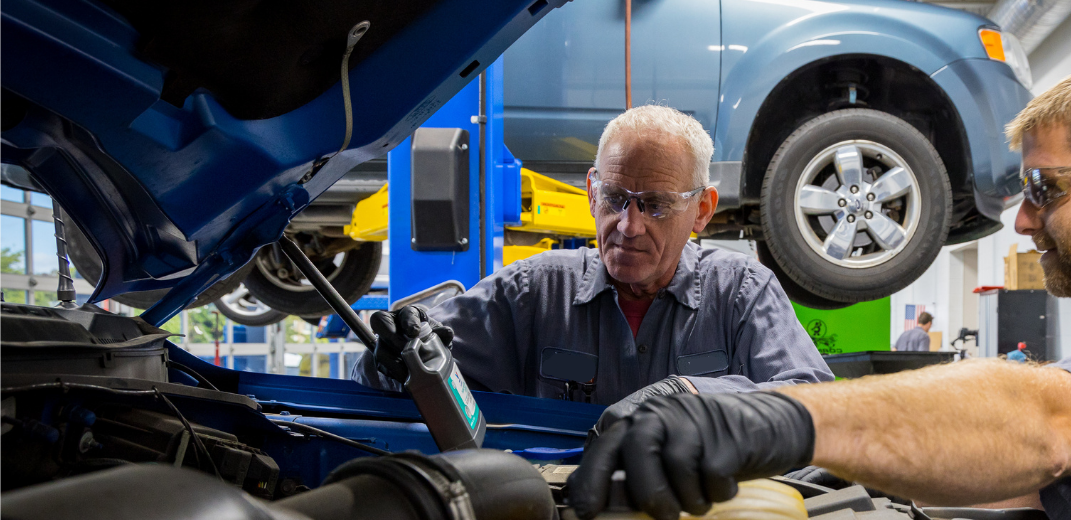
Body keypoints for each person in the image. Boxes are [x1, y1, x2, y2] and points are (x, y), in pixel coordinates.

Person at [566, 56, 1071, 520]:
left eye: (1043, 188)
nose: (1023, 221)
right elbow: (1050, 478)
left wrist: (777, 418)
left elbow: (1039, 422)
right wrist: (870, 473)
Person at [351, 105, 834, 427]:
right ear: (590, 191)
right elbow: (375, 388)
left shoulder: (741, 292)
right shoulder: (533, 292)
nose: (628, 225)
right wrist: (394, 356)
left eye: (655, 205)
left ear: (702, 210)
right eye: (615, 198)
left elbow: (814, 402)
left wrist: (689, 395)